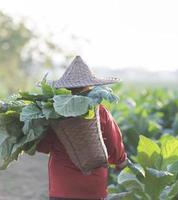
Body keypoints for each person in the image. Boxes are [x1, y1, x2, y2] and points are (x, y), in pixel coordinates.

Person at [36, 56, 128, 200]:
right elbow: (114, 145)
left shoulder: (54, 112)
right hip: (92, 187)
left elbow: (43, 146)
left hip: (62, 186)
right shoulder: (99, 111)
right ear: (90, 86)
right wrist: (120, 161)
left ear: (65, 88)